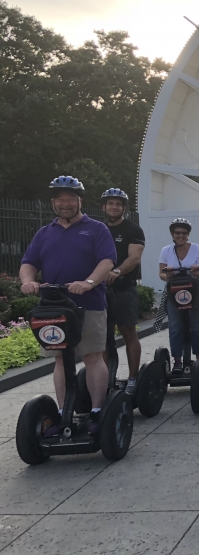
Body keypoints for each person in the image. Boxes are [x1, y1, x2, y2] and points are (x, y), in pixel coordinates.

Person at [20, 176, 117, 435]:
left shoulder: (96, 229)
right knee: (61, 361)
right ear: (53, 202)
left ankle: (96, 412)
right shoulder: (45, 233)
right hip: (53, 306)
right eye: (61, 199)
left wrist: (89, 282)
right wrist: (28, 281)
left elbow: (107, 261)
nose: (66, 203)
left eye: (71, 198)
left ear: (79, 201)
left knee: (92, 356)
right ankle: (64, 413)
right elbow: (29, 262)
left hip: (89, 303)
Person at [101, 188, 145, 395]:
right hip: (100, 291)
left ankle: (133, 378)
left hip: (124, 288)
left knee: (128, 332)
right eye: (110, 204)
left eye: (118, 204)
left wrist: (117, 271)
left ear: (124, 208)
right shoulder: (99, 229)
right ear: (104, 207)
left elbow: (134, 258)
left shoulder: (133, 230)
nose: (114, 207)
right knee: (103, 337)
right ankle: (107, 379)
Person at [158, 218, 199, 373]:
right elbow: (161, 274)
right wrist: (168, 274)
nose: (181, 235)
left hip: (194, 291)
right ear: (172, 234)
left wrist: (196, 271)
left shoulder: (196, 248)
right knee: (175, 327)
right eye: (177, 233)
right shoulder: (166, 250)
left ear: (188, 235)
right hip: (174, 292)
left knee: (197, 327)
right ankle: (177, 361)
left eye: (184, 233)